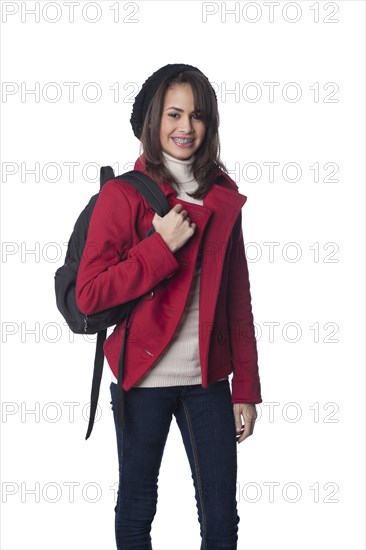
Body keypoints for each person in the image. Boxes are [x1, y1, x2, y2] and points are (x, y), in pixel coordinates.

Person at [75, 63, 263, 550]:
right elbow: (90, 293)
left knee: (222, 522)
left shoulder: (222, 194)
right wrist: (159, 248)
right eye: (174, 114)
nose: (185, 128)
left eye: (197, 116)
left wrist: (246, 387)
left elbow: (237, 298)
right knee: (137, 511)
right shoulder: (121, 196)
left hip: (209, 382)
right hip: (142, 381)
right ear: (154, 120)